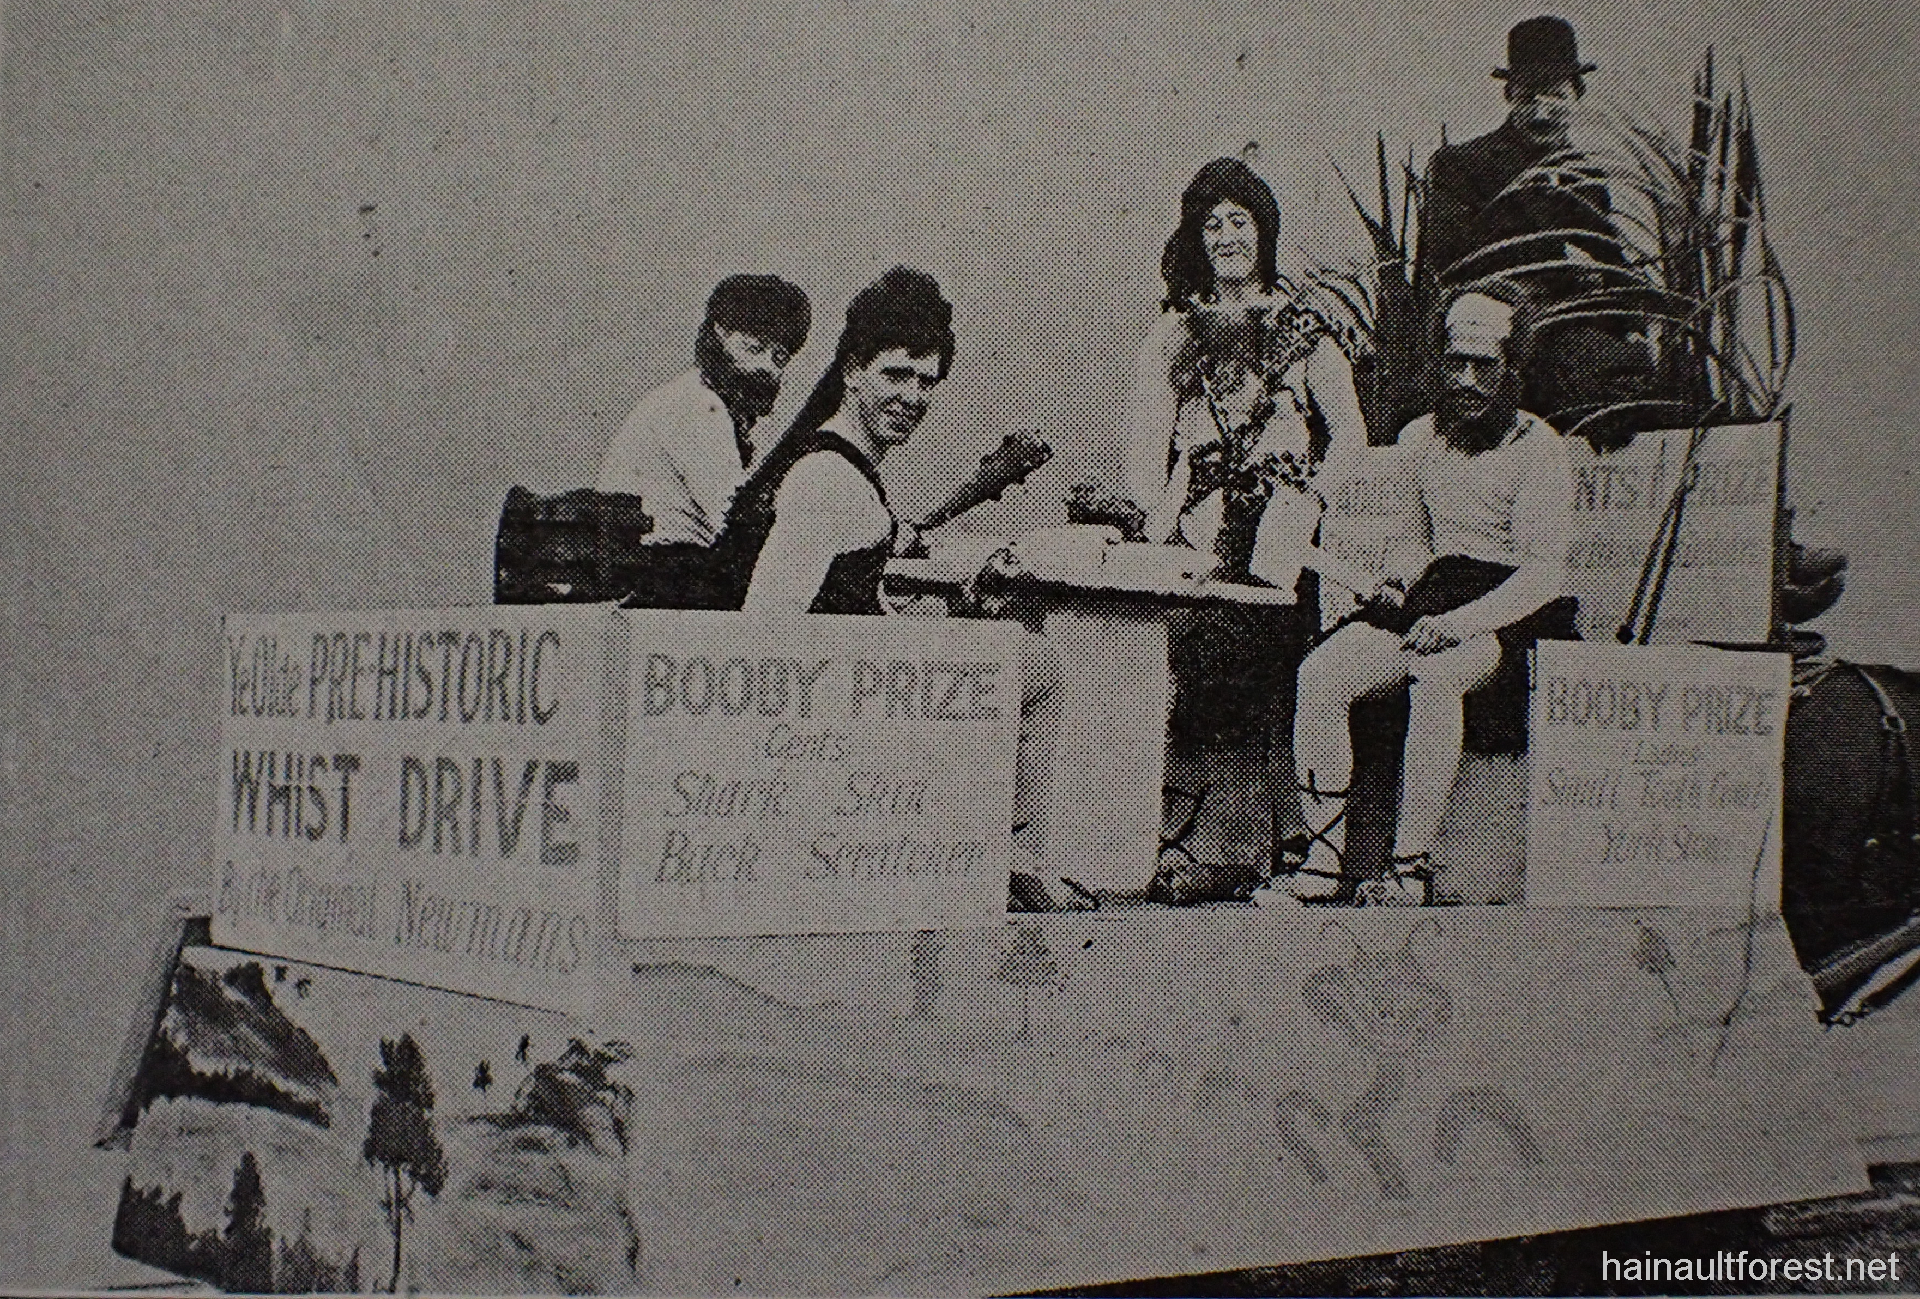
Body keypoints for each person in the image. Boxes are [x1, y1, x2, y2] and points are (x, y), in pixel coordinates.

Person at [1272, 286, 1578, 906]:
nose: (1466, 380)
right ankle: (1323, 863)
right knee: (1323, 673)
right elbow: (1416, 541)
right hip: (1435, 597)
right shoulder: (1419, 439)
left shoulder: (1541, 451)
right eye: (1454, 362)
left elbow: (1543, 574)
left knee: (1437, 675)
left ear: (1512, 372)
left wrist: (1460, 624)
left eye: (1483, 366)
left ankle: (1408, 870)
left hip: (1511, 612)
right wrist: (1397, 579)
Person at [1413, 17, 1654, 436]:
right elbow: (1448, 262)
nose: (1542, 113)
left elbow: (1611, 260)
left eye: (1556, 96)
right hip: (1491, 330)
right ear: (1509, 97)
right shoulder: (1462, 166)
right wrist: (1552, 276)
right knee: (1579, 375)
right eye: (1528, 98)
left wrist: (1634, 327)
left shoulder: (1583, 176)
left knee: (1646, 378)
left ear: (1577, 95)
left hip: (1566, 329)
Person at [701, 266, 952, 615]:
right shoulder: (827, 479)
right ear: (852, 372)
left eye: (926, 382)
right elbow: (765, 629)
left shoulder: (847, 471)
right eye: (895, 376)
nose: (911, 396)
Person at [596, 274, 812, 546]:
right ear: (719, 335)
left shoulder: (688, 398)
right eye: (754, 348)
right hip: (658, 570)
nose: (768, 367)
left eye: (779, 357)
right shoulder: (697, 407)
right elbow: (736, 523)